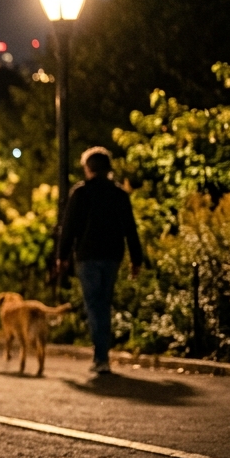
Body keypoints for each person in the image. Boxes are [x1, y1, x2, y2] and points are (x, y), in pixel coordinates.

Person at [58, 146, 144, 375]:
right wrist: (136, 258)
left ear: (88, 168)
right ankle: (102, 354)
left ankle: (101, 356)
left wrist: (62, 256)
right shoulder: (119, 194)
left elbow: (68, 228)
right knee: (104, 303)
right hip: (112, 255)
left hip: (87, 256)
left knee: (94, 305)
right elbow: (130, 228)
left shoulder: (81, 193)